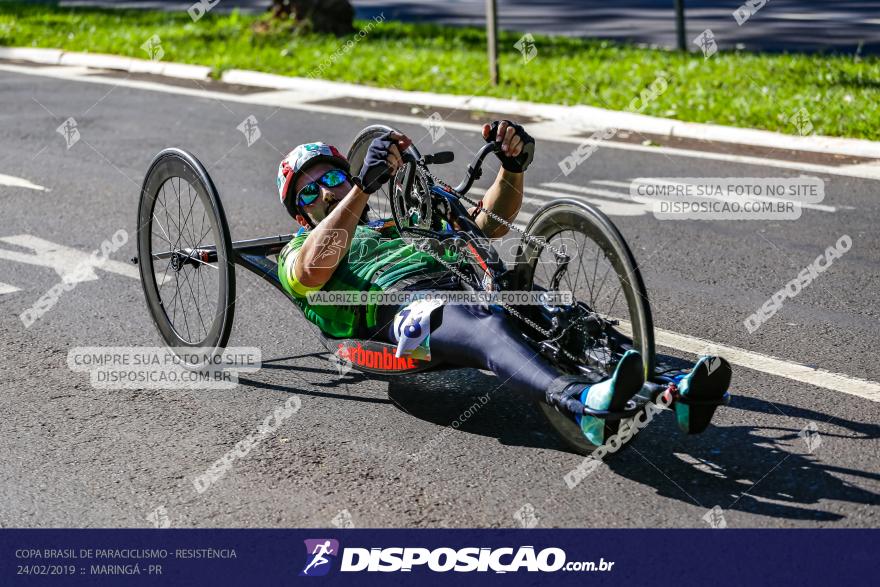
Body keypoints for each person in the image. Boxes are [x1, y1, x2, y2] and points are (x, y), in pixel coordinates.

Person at [275, 121, 732, 447]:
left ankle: (674, 388)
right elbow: (312, 271)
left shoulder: (399, 222)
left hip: (466, 286)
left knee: (556, 310)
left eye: (332, 177)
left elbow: (486, 223)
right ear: (300, 214)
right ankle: (579, 408)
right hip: (400, 315)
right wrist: (359, 189)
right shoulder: (294, 252)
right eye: (310, 191)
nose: (327, 191)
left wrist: (512, 166)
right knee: (485, 324)